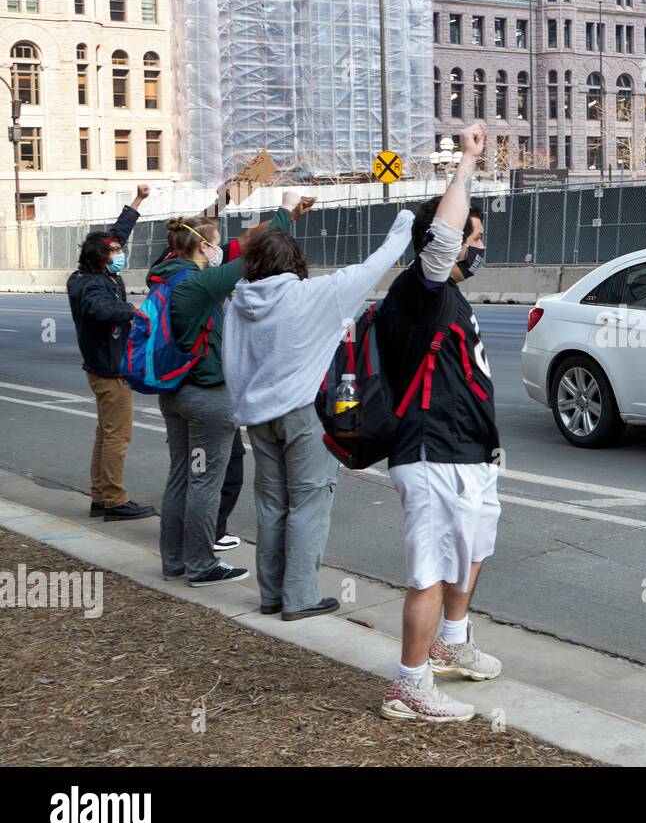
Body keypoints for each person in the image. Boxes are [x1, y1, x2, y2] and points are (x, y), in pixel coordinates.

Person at [222, 207, 416, 621]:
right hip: (304, 413)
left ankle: (272, 594)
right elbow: (375, 264)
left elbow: (232, 362)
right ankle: (301, 597)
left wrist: (243, 405)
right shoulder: (314, 294)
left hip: (257, 417)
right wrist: (404, 223)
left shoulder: (236, 303)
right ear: (295, 262)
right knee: (309, 502)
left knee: (271, 504)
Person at [375, 122, 499, 725]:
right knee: (428, 572)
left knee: (468, 553)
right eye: (473, 239)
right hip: (430, 453)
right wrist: (466, 165)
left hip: (468, 452)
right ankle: (410, 684)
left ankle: (449, 642)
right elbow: (445, 235)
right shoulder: (419, 289)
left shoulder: (448, 296)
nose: (478, 248)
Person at [150, 199, 301, 587]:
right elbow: (254, 255)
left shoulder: (166, 275)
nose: (222, 250)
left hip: (176, 393)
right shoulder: (198, 284)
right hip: (206, 397)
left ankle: (174, 562)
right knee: (203, 481)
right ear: (203, 247)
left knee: (181, 477)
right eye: (218, 243)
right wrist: (284, 211)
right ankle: (201, 565)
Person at [67, 185, 156, 522]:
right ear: (100, 257)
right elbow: (101, 309)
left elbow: (119, 230)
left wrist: (138, 200)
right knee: (118, 436)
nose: (120, 253)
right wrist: (131, 310)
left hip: (105, 367)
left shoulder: (101, 270)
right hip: (109, 371)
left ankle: (101, 496)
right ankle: (115, 500)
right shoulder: (88, 283)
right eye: (114, 251)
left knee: (105, 434)